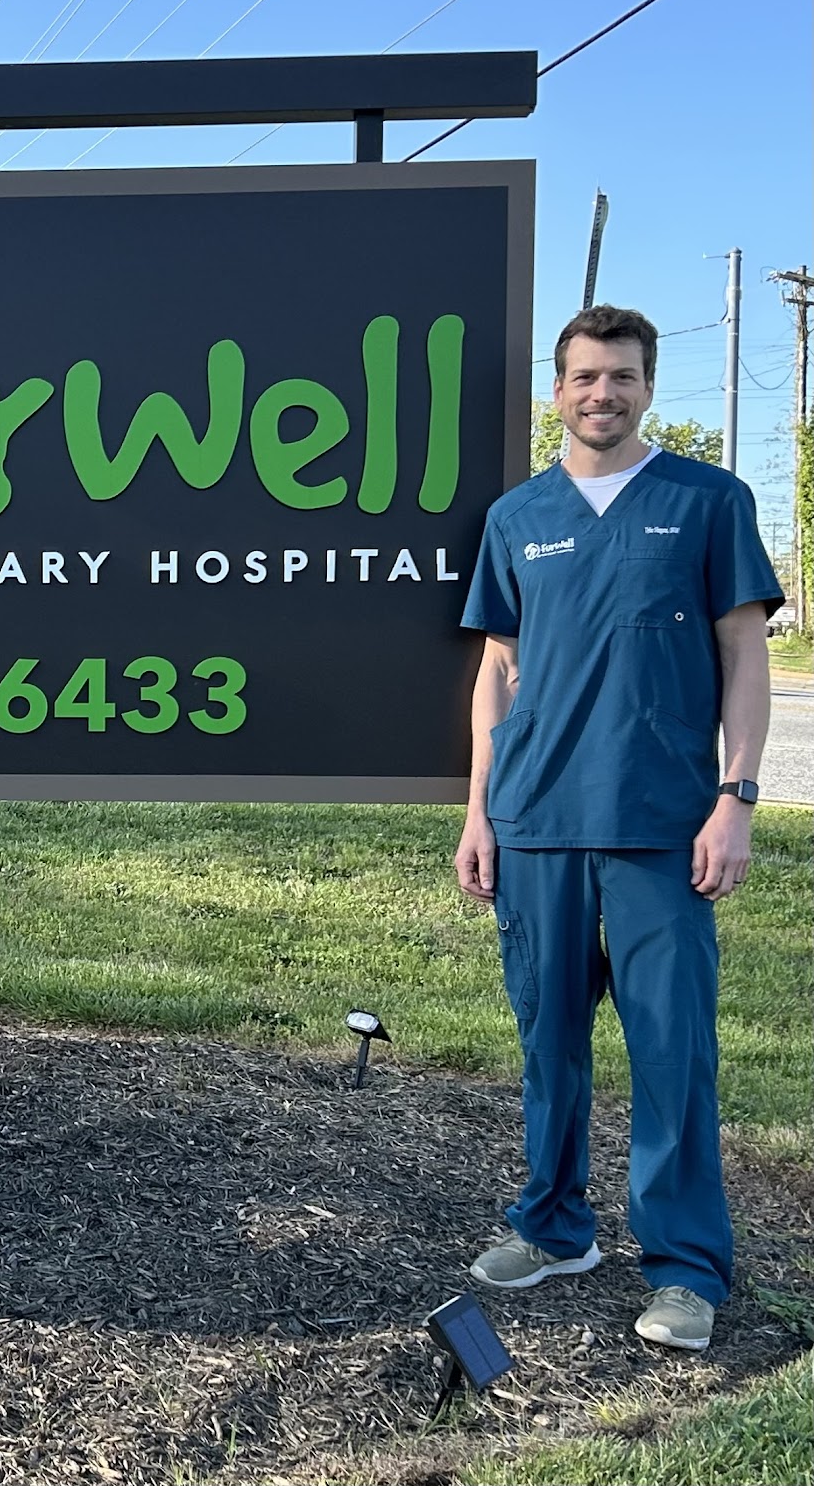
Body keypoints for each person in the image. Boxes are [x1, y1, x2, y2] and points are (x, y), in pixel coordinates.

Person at [453, 304, 780, 1353]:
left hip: (660, 825)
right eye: (585, 376)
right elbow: (497, 671)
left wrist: (735, 797)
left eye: (623, 376)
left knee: (670, 1050)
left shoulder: (707, 501)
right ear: (556, 390)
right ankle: (553, 1229)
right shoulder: (517, 517)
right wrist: (478, 811)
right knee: (548, 1043)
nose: (603, 393)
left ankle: (684, 1267)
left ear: (647, 386)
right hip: (534, 821)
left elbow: (743, 655)